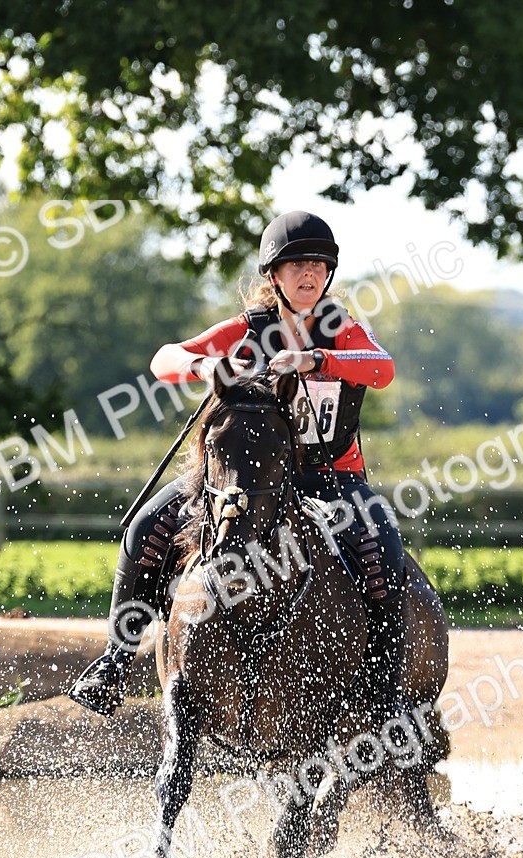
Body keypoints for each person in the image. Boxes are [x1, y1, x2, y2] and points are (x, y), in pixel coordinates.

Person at [68, 210, 408, 726]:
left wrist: (317, 361)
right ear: (274, 275)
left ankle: (384, 685)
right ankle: (116, 658)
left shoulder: (341, 329)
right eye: (296, 265)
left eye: (317, 264)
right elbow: (165, 358)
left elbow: (382, 368)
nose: (308, 274)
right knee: (145, 529)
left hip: (330, 477)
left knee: (383, 545)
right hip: (244, 478)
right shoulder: (249, 331)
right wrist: (204, 366)